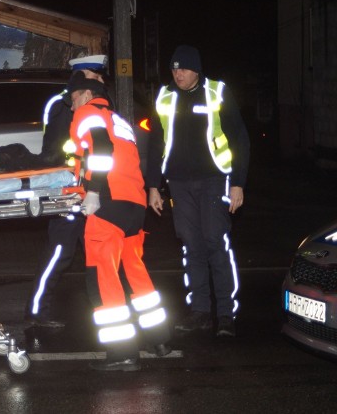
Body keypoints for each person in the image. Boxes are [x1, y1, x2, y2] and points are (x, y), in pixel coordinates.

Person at [68, 71, 171, 371]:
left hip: (108, 205)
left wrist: (94, 192)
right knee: (136, 274)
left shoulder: (87, 113)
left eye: (73, 99)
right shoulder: (120, 120)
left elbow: (101, 150)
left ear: (86, 96)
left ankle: (122, 352)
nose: (71, 107)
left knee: (103, 278)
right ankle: (160, 339)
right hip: (134, 206)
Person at [146, 45, 250, 337]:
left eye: (183, 68)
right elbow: (155, 142)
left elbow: (240, 138)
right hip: (178, 183)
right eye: (174, 69)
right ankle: (200, 312)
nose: (177, 74)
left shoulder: (217, 92)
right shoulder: (165, 96)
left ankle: (226, 315)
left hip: (214, 180)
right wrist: (153, 185)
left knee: (215, 242)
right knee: (192, 245)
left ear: (196, 70)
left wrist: (239, 182)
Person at [25, 55, 109, 328]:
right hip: (69, 189)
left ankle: (108, 305)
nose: (101, 81)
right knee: (60, 251)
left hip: (87, 188)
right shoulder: (64, 104)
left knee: (99, 252)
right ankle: (37, 311)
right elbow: (58, 149)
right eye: (95, 76)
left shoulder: (91, 102)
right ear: (82, 76)